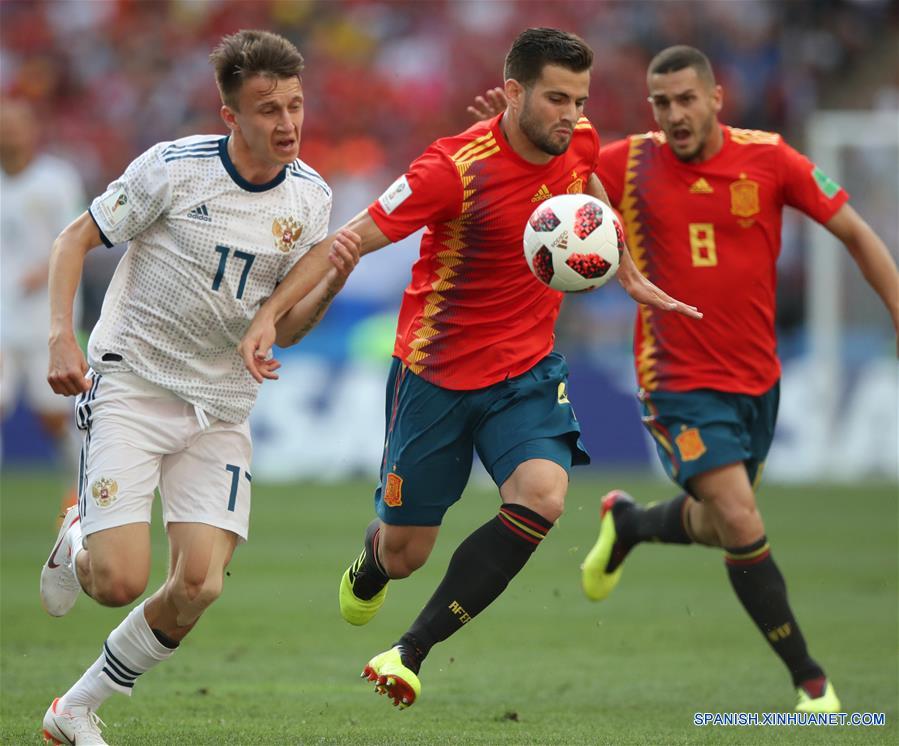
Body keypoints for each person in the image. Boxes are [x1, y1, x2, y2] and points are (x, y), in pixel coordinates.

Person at [238, 27, 701, 710]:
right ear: (513, 93)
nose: (572, 115)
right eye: (554, 98)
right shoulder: (450, 168)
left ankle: (409, 650)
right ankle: (371, 561)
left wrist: (625, 270)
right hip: (436, 378)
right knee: (404, 555)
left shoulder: (574, 140)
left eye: (579, 99)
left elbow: (592, 189)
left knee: (543, 495)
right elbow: (351, 240)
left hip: (525, 373)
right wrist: (269, 317)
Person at [472, 45, 899, 712]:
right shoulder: (630, 162)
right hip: (675, 378)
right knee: (737, 514)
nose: (673, 114)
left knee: (718, 522)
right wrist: (496, 133)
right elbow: (549, 172)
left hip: (756, 380)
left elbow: (853, 231)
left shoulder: (770, 158)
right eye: (660, 103)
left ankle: (632, 525)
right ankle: (809, 680)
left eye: (685, 100)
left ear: (715, 98)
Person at [39, 29, 360, 745]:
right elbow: (73, 240)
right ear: (230, 117)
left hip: (220, 405)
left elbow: (292, 327)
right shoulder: (172, 170)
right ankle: (78, 537)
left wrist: (331, 280)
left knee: (200, 586)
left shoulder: (310, 198)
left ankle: (75, 710)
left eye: (296, 107)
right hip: (134, 384)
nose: (287, 125)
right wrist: (61, 336)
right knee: (119, 581)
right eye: (268, 110)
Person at [0, 98, 85, 527]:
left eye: (15, 126)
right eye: (3, 127)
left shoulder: (55, 181)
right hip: (1, 318)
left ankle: (78, 489)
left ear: (32, 131)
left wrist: (44, 272)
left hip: (44, 320)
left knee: (52, 415)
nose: (9, 134)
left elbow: (74, 238)